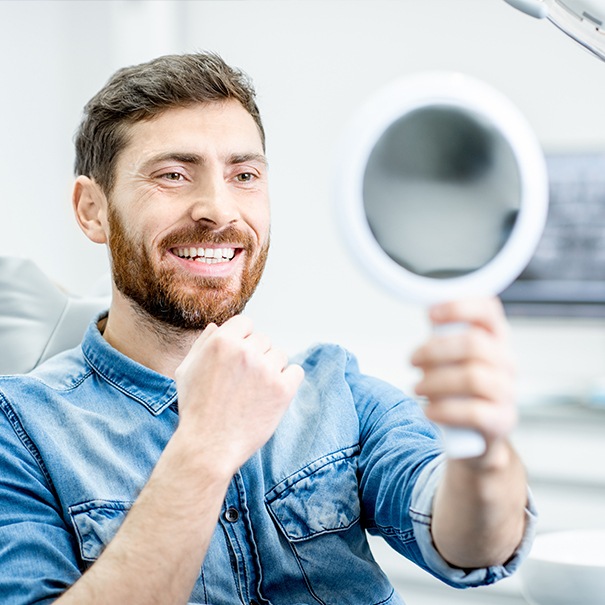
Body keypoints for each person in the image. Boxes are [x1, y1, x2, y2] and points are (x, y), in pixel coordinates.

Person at [0, 52, 536, 605]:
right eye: (173, 174)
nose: (218, 209)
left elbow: (476, 546)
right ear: (92, 209)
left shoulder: (335, 389)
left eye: (245, 175)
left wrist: (484, 455)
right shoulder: (19, 430)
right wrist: (204, 448)